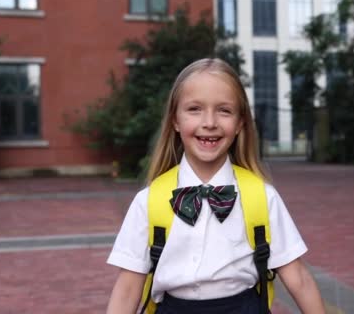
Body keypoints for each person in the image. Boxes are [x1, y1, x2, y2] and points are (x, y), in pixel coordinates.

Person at [105, 58, 325, 314]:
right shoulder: (149, 201)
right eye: (194, 109)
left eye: (224, 110)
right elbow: (128, 289)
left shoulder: (262, 197)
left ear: (240, 123)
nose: (209, 122)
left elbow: (298, 278)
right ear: (175, 120)